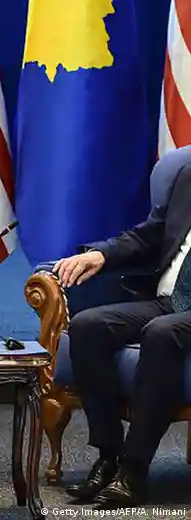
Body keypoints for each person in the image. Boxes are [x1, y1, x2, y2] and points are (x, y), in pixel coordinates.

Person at [53, 162, 191, 509]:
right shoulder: (188, 176)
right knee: (88, 326)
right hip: (169, 301)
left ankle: (134, 471)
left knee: (161, 333)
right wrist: (101, 254)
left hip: (176, 319)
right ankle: (109, 457)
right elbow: (150, 235)